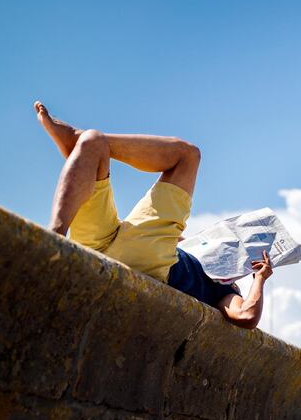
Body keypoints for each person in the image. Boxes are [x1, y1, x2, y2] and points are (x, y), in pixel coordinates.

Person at [34, 102, 273, 329]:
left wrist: (259, 279)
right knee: (93, 142)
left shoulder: (226, 292)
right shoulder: (194, 252)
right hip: (110, 239)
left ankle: (78, 137)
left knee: (188, 156)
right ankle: (55, 236)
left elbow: (246, 316)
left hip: (151, 260)